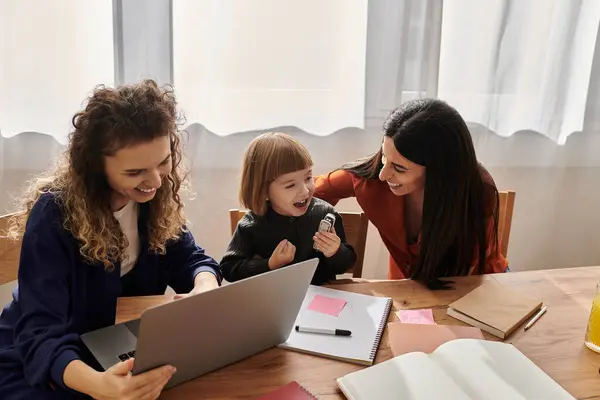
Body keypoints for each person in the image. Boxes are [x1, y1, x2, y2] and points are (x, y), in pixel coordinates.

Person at [0, 80, 222, 399]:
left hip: (115, 350)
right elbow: (40, 335)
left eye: (163, 162)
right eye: (135, 173)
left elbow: (191, 259)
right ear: (95, 167)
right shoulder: (54, 214)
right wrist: (100, 386)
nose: (157, 181)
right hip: (44, 367)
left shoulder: (153, 201)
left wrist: (204, 288)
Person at [314, 98, 508, 289]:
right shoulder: (369, 180)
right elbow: (306, 192)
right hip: (408, 290)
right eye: (383, 157)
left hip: (478, 285)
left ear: (438, 170)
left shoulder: (477, 192)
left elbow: (467, 271)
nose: (383, 175)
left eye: (399, 168)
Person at [220, 132, 356, 285]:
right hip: (274, 302)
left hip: (320, 301)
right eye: (290, 185)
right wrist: (270, 264)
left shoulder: (325, 214)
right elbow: (228, 269)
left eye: (308, 177)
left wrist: (335, 252)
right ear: (263, 191)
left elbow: (346, 264)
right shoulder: (251, 225)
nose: (305, 190)